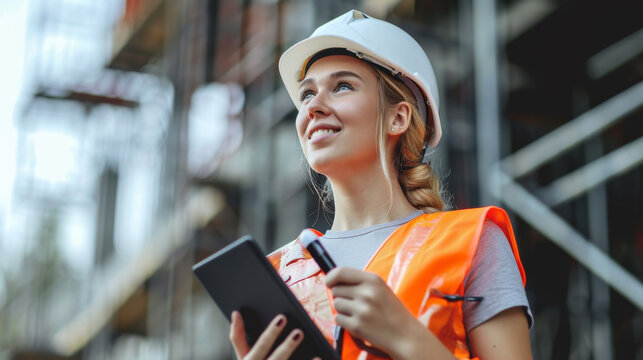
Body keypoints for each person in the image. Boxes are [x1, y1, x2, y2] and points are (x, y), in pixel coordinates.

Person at [229, 9, 533, 360]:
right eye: (307, 94)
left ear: (398, 117)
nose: (313, 107)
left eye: (342, 86)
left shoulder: (470, 242)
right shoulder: (277, 274)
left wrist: (407, 340)